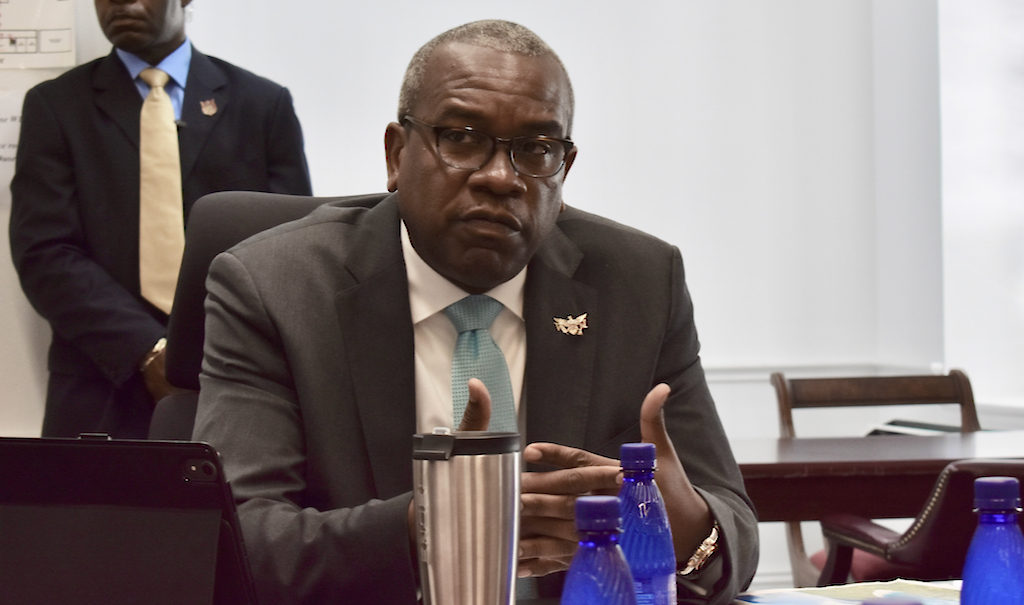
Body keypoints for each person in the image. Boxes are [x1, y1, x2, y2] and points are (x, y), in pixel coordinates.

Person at [192, 19, 758, 605]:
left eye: (537, 149)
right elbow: (233, 543)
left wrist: (678, 523)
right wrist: (433, 528)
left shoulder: (638, 284)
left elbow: (730, 543)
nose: (499, 177)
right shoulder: (276, 288)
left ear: (563, 170)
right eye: (461, 137)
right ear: (396, 153)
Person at [8, 0, 312, 439]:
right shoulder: (55, 106)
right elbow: (44, 252)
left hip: (239, 378)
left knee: (236, 510)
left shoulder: (263, 105)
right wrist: (146, 351)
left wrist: (211, 349)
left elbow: (290, 246)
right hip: (100, 385)